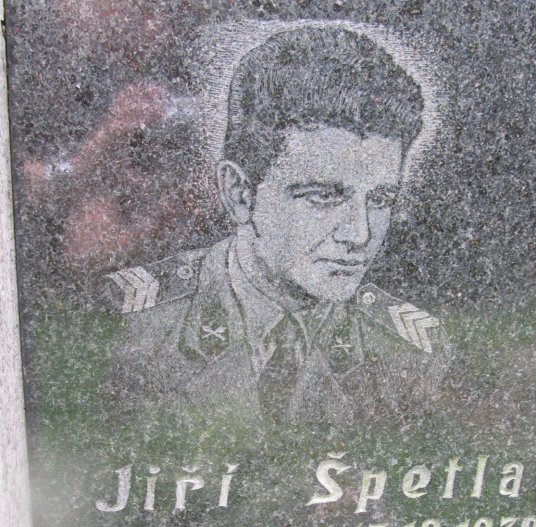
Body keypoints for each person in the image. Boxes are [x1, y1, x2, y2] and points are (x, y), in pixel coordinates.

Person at [107, 25, 449, 429]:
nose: (360, 235)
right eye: (324, 196)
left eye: (380, 200)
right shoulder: (130, 328)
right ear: (239, 194)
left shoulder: (410, 352)